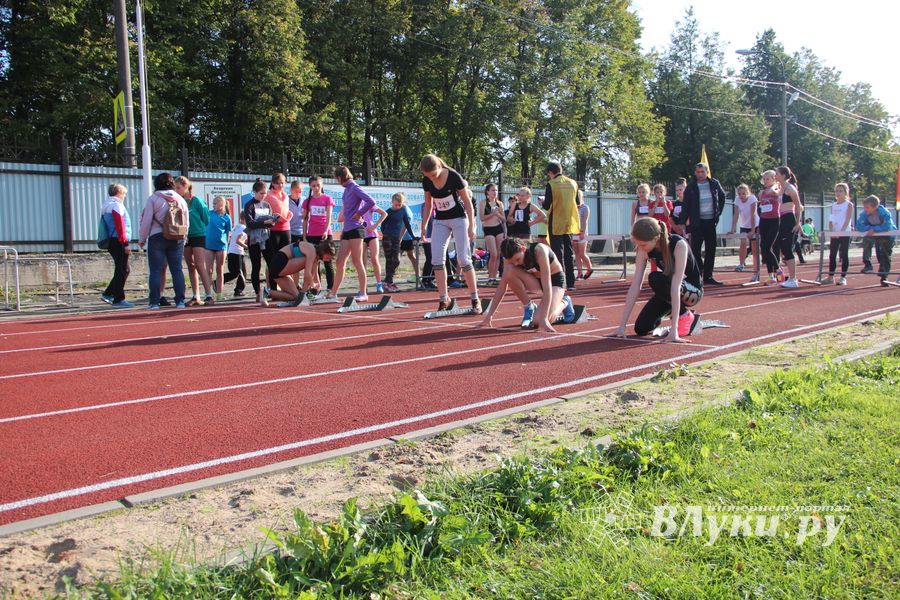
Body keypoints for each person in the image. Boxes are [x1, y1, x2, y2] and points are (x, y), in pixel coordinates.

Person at [614, 218, 702, 343]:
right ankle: (670, 312)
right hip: (668, 290)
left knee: (655, 278)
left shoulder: (678, 245)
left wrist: (674, 330)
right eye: (637, 244)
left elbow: (676, 285)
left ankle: (685, 315)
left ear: (655, 239)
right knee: (641, 328)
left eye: (643, 245)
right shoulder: (643, 251)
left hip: (692, 291)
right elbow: (635, 286)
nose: (640, 248)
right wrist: (622, 326)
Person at [419, 154, 481, 313]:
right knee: (437, 260)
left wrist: (472, 227)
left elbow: (468, 203)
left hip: (459, 219)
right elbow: (428, 204)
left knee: (463, 259)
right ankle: (443, 299)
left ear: (439, 167)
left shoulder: (454, 176)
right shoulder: (427, 180)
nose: (431, 179)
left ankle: (475, 298)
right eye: (428, 176)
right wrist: (424, 225)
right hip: (440, 221)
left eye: (433, 175)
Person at [478, 238, 574, 333]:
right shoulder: (510, 259)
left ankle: (565, 301)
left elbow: (547, 285)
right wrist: (489, 316)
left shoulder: (540, 251)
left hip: (554, 281)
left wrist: (544, 319)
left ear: (523, 249)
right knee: (509, 272)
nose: (516, 263)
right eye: (512, 261)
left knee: (538, 321)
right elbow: (502, 287)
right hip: (536, 280)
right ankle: (529, 306)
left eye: (517, 259)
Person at [138, 172, 189, 309]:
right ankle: (180, 301)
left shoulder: (153, 198)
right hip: (177, 237)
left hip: (157, 236)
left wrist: (142, 238)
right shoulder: (180, 199)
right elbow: (186, 222)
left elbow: (146, 220)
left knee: (155, 270)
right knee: (177, 269)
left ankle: (154, 302)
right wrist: (184, 237)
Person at [326, 166, 376, 302]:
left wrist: (359, 213)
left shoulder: (354, 187)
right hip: (347, 230)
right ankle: (333, 293)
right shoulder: (347, 189)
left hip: (356, 229)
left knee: (357, 261)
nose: (336, 181)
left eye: (336, 178)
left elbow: (371, 201)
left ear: (339, 177)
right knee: (340, 262)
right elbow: (347, 211)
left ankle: (363, 292)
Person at [682, 162, 727, 285]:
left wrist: (718, 213)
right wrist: (683, 221)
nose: (700, 174)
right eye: (698, 172)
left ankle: (708, 276)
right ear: (695, 173)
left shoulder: (714, 183)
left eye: (702, 172)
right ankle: (699, 272)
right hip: (696, 222)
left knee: (710, 249)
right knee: (695, 249)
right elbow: (685, 205)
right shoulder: (691, 186)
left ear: (706, 172)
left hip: (711, 221)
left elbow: (722, 197)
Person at [542, 161, 581, 290]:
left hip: (556, 222)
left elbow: (547, 205)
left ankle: (560, 282)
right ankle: (571, 283)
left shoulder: (551, 184)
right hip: (569, 222)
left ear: (550, 173)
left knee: (558, 252)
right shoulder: (573, 183)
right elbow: (578, 202)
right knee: (569, 253)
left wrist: (542, 202)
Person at [174, 176, 211, 307]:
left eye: (178, 187)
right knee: (191, 265)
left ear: (186, 187)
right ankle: (196, 296)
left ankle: (209, 295)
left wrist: (199, 226)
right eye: (175, 187)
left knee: (200, 265)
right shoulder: (178, 202)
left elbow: (206, 219)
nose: (176, 190)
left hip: (198, 235)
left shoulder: (197, 201)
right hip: (185, 236)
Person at [267, 239, 337, 304]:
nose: (328, 260)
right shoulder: (312, 251)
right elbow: (307, 274)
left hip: (278, 271)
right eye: (328, 258)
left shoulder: (316, 257)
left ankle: (265, 292)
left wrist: (318, 289)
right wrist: (309, 288)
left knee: (295, 297)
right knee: (301, 296)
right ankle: (305, 294)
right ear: (323, 251)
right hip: (278, 263)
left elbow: (315, 274)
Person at [244, 179, 277, 306]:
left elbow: (271, 221)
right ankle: (258, 292)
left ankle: (273, 291)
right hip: (254, 240)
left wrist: (273, 221)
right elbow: (250, 223)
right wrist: (264, 222)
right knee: (256, 266)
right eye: (261, 193)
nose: (263, 196)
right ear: (255, 192)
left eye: (265, 193)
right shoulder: (249, 205)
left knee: (272, 264)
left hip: (266, 237)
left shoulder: (267, 205)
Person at [100, 183, 133, 308]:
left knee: (121, 269)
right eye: (124, 193)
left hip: (112, 240)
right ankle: (118, 298)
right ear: (119, 192)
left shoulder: (106, 205)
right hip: (118, 240)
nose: (124, 196)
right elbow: (120, 226)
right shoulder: (116, 206)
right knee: (124, 269)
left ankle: (109, 293)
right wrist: (125, 244)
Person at [301, 175, 335, 292]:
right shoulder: (307, 201)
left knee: (328, 261)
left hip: (325, 234)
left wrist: (326, 230)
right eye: (313, 186)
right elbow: (305, 219)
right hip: (312, 234)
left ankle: (331, 289)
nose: (316, 188)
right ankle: (316, 288)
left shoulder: (327, 199)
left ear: (322, 185)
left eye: (318, 185)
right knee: (314, 262)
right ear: (310, 186)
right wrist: (304, 236)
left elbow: (329, 217)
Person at [855, 195, 896, 286]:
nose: (865, 209)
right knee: (866, 241)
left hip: (887, 236)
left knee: (885, 254)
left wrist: (875, 229)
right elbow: (859, 226)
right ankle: (868, 265)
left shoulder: (884, 213)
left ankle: (884, 276)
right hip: (873, 233)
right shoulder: (864, 214)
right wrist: (871, 229)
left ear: (875, 207)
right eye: (864, 207)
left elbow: (887, 227)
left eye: (867, 207)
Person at [774, 166, 803, 289]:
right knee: (778, 247)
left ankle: (793, 279)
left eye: (777, 174)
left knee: (787, 249)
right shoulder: (779, 189)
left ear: (784, 175)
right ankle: (784, 275)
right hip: (780, 220)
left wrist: (797, 223)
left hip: (789, 220)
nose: (775, 175)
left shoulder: (790, 188)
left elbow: (798, 206)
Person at [380, 192, 416, 293]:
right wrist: (385, 234)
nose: (397, 207)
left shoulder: (403, 210)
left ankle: (387, 281)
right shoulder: (389, 212)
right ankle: (389, 282)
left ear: (402, 203)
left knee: (396, 260)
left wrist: (413, 236)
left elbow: (407, 225)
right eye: (395, 205)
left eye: (399, 205)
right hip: (388, 237)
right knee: (389, 259)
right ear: (392, 202)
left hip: (396, 238)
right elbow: (383, 225)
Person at [265, 172, 293, 289]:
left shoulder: (286, 195)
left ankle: (287, 286)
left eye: (282, 183)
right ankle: (272, 287)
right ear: (273, 183)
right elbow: (268, 213)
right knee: (274, 259)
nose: (280, 185)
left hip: (286, 229)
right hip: (274, 230)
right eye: (277, 183)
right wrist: (279, 218)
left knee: (287, 258)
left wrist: (289, 215)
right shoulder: (269, 195)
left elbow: (286, 211)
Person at [823, 183, 854, 286]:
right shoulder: (833, 205)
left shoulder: (849, 205)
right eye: (836, 191)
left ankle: (843, 277)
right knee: (832, 255)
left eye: (840, 191)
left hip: (845, 232)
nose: (838, 193)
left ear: (845, 192)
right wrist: (832, 231)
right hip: (835, 233)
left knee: (844, 254)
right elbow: (831, 220)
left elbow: (847, 219)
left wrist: (841, 231)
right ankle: (830, 277)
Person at [204, 196, 232, 304]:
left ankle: (219, 294)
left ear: (221, 205)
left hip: (221, 246)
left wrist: (226, 245)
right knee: (208, 270)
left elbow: (228, 232)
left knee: (219, 270)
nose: (213, 205)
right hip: (208, 245)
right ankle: (208, 293)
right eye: (213, 203)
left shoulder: (227, 218)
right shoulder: (210, 214)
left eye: (215, 203)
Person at [757, 170, 782, 285]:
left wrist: (773, 186)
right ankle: (771, 275)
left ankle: (778, 269)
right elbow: (760, 207)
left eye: (768, 179)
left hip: (774, 220)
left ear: (774, 179)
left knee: (768, 246)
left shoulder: (777, 188)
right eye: (764, 179)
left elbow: (775, 193)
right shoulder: (761, 193)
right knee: (764, 247)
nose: (765, 181)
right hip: (763, 220)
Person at [480, 183, 506, 285]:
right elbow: (482, 218)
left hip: (498, 228)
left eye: (496, 190)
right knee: (493, 254)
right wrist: (493, 214)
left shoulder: (500, 204)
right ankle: (490, 278)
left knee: (498, 254)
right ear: (487, 192)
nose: (495, 192)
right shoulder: (483, 203)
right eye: (492, 190)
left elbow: (504, 219)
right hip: (488, 229)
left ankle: (494, 278)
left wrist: (499, 214)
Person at [730, 184, 758, 274]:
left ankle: (756, 267)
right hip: (744, 225)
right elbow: (736, 214)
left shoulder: (752, 199)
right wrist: (733, 228)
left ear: (747, 193)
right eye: (739, 194)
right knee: (742, 244)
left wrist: (753, 230)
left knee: (754, 247)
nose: (741, 196)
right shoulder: (737, 199)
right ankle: (741, 264)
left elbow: (753, 214)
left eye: (743, 194)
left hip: (755, 224)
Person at [361, 202, 388, 293]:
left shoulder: (368, 203)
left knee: (374, 259)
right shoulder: (354, 204)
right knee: (362, 262)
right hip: (361, 235)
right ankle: (363, 286)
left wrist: (375, 225)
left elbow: (384, 214)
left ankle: (379, 283)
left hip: (372, 234)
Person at [224, 213, 247, 296]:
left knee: (234, 273)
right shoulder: (244, 228)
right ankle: (239, 290)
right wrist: (247, 247)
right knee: (242, 273)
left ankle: (219, 281)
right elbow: (238, 240)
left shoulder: (237, 226)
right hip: (237, 253)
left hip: (231, 251)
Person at [574, 190, 592, 279]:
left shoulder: (585, 207)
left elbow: (585, 221)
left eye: (578, 196)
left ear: (582, 197)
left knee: (582, 253)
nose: (577, 198)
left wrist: (583, 232)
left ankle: (589, 268)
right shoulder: (573, 207)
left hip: (582, 233)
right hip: (573, 233)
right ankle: (579, 273)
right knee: (576, 254)